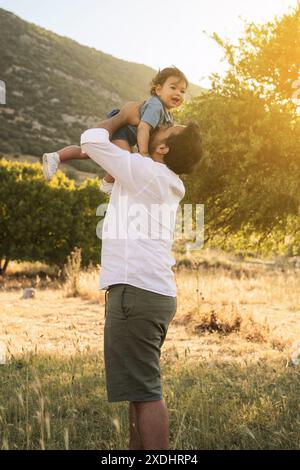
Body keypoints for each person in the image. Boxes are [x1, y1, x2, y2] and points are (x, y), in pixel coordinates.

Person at [80, 102, 202, 450]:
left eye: (168, 128)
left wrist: (122, 115)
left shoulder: (147, 174)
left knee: (146, 392)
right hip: (148, 293)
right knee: (139, 390)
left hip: (137, 293)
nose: (162, 123)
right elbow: (108, 189)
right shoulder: (158, 178)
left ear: (163, 147)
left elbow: (89, 140)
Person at [42, 66, 188, 192]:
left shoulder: (167, 114)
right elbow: (143, 128)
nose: (178, 93)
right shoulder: (156, 106)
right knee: (123, 160)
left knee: (84, 153)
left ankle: (56, 156)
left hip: (128, 135)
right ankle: (107, 183)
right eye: (173, 88)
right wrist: (143, 153)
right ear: (158, 90)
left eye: (182, 91)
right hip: (123, 132)